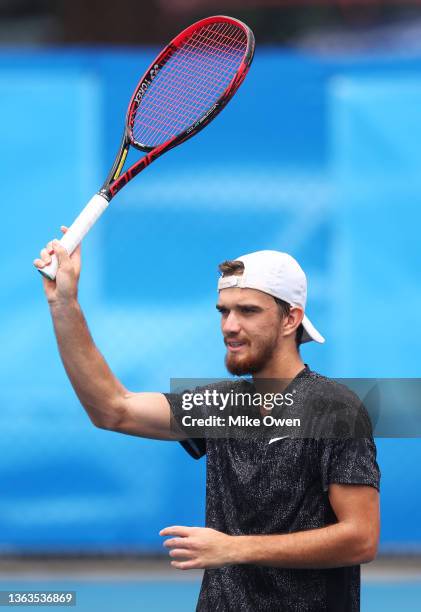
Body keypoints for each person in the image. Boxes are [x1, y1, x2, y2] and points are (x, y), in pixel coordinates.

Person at [34, 235, 380, 612]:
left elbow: (361, 538)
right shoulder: (221, 403)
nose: (229, 325)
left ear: (290, 319)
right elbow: (113, 409)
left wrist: (235, 548)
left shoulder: (336, 409)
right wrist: (62, 302)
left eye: (247, 311)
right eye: (223, 311)